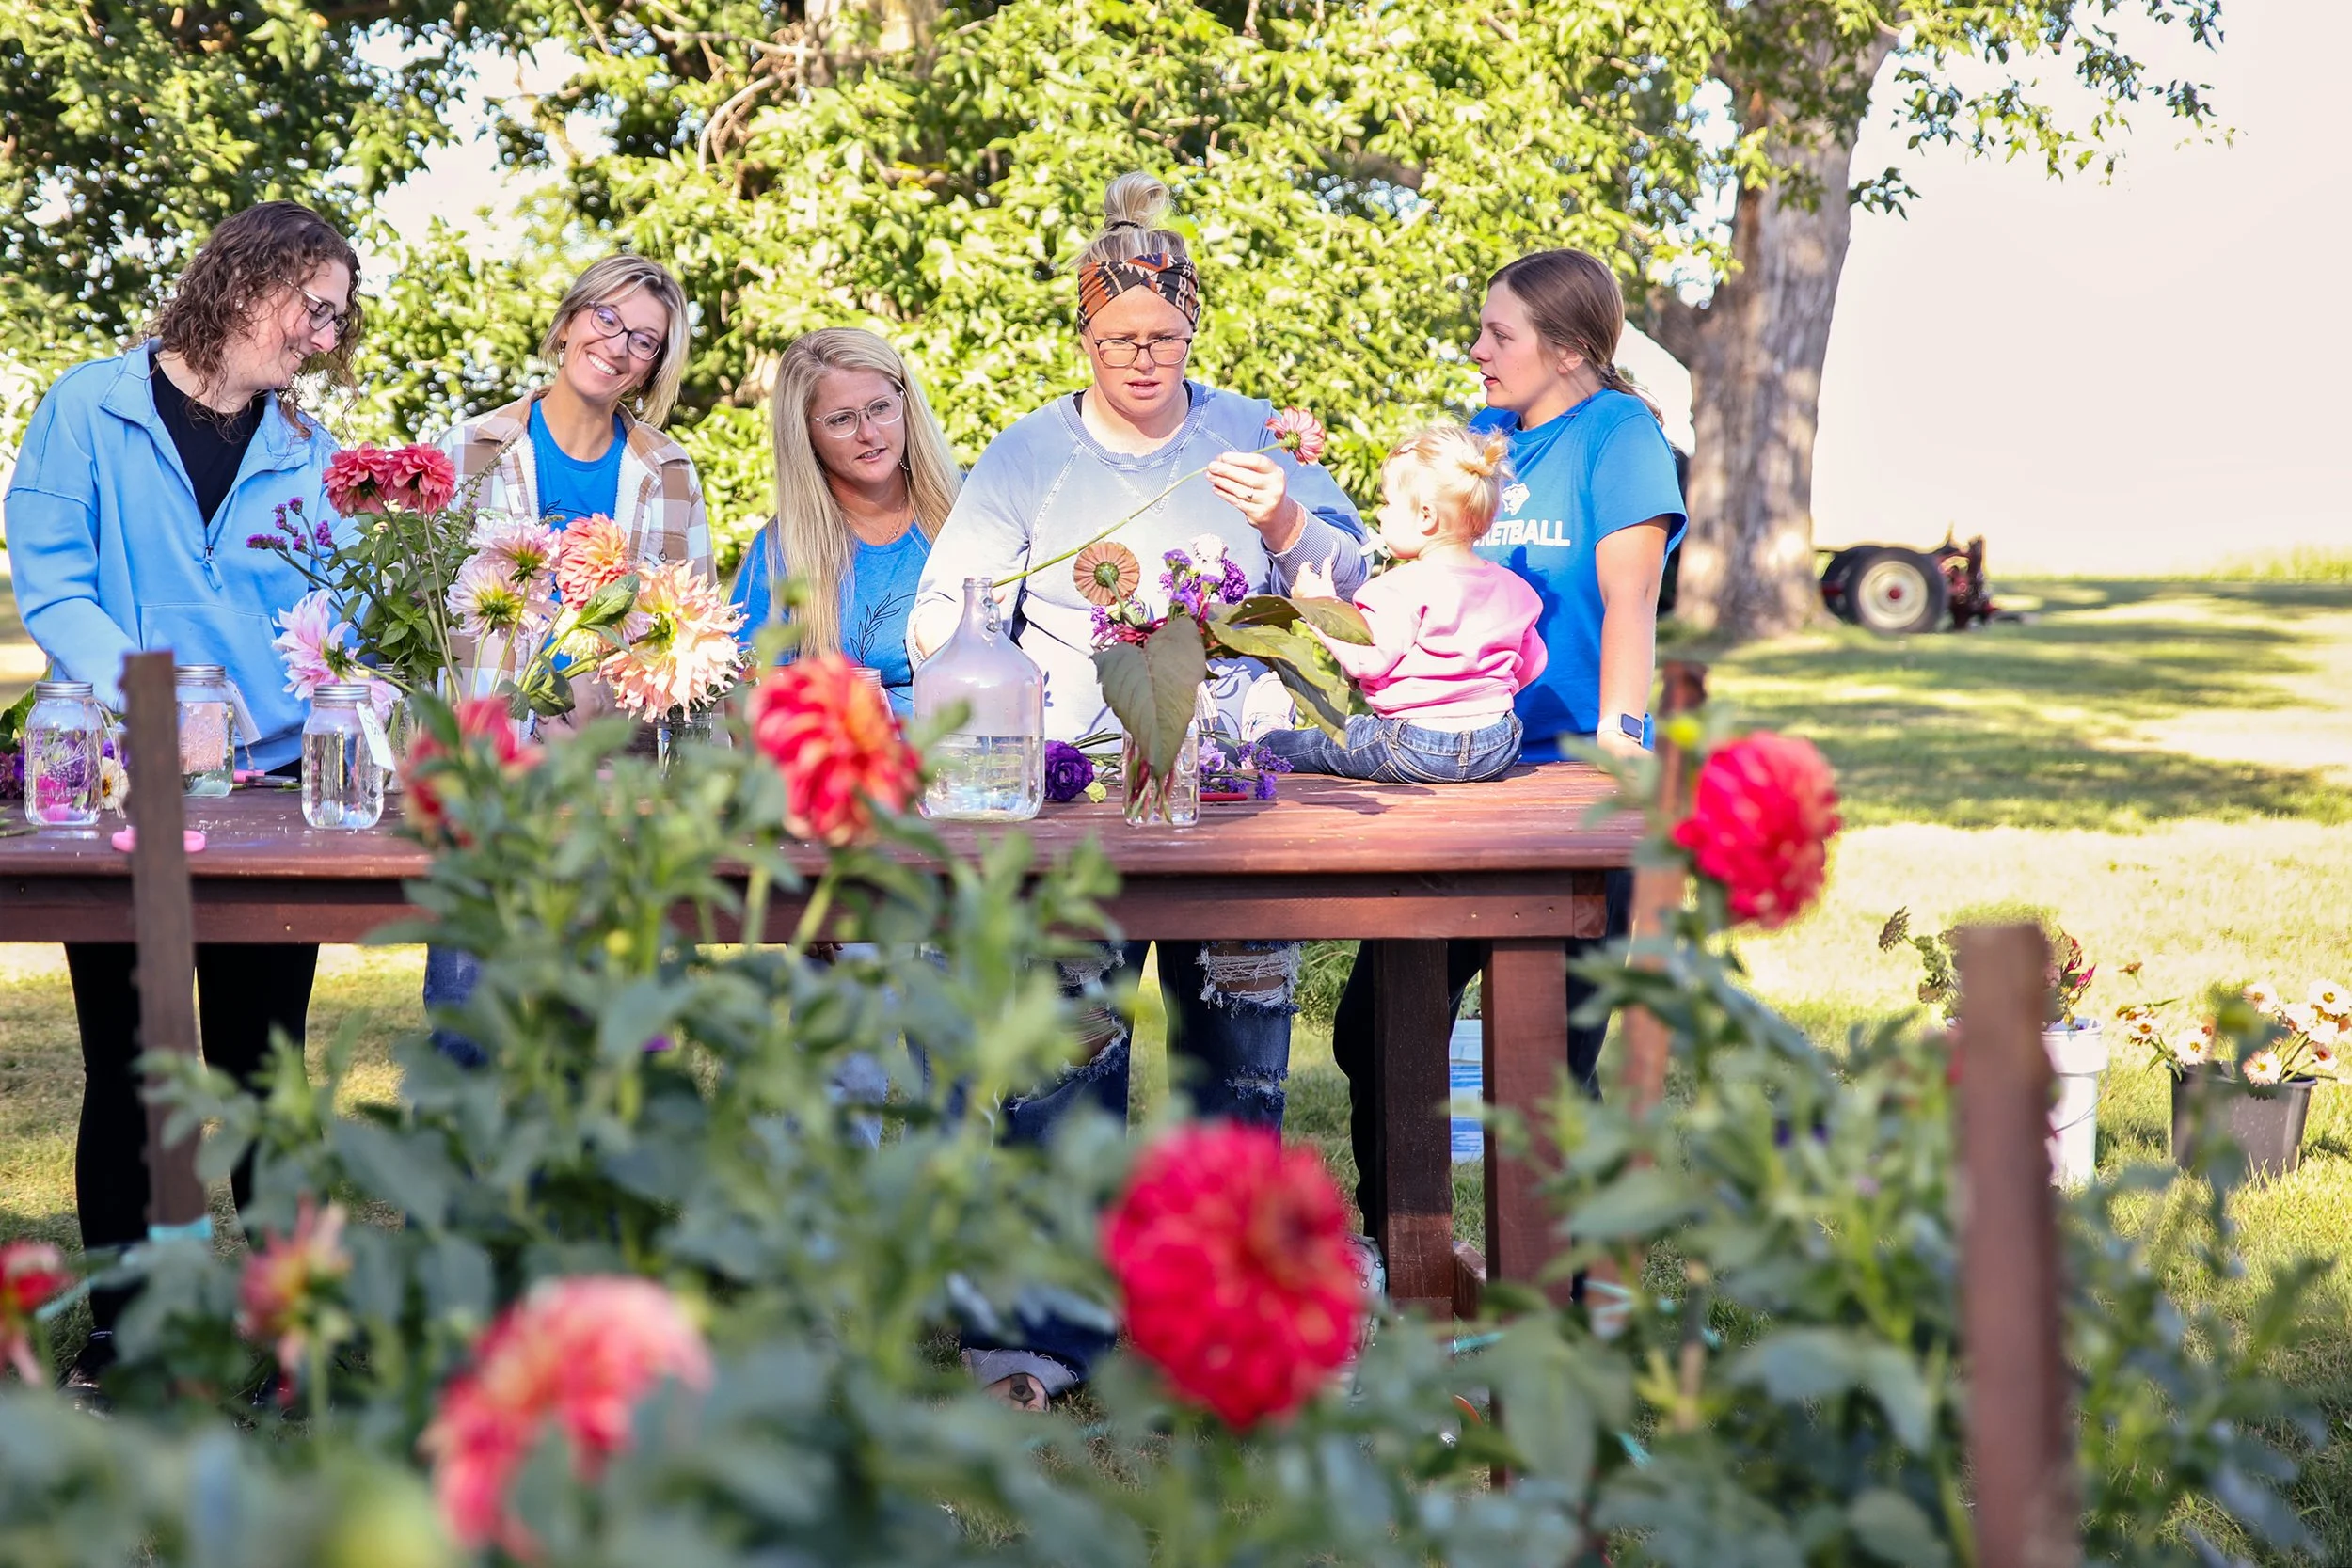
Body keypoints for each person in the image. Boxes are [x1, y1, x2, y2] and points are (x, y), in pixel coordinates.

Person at [910, 170, 1368, 1407]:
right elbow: (936, 616)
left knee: (1242, 1071)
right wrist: (991, 672)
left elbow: (1348, 581)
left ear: (1193, 329)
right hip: (1077, 807)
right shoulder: (1026, 453)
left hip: (1231, 797)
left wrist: (1284, 520)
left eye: (1164, 335)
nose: (1143, 358)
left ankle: (1236, 1338)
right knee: (1068, 1067)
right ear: (1085, 334)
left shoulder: (1251, 435)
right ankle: (1051, 1339)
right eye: (1119, 338)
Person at [4, 199, 362, 1388]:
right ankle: (128, 1327)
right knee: (133, 1063)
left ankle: (292, 1325)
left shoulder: (308, 455)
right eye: (313, 307)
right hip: (118, 781)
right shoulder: (84, 409)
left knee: (270, 1066)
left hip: (263, 787)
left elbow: (328, 614)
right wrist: (154, 695)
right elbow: (52, 585)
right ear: (245, 278)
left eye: (336, 321)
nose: (322, 336)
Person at [1327, 246, 1687, 1252]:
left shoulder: (1619, 436)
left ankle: (1553, 1290)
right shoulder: (1483, 437)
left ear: (1569, 349)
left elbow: (1630, 604)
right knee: (1375, 1031)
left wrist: (1617, 749)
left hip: (1571, 782)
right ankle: (1410, 1261)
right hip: (1455, 775)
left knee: (1547, 1065)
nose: (1476, 349)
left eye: (1500, 333)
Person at [423, 253, 710, 1064]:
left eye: (645, 341)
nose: (618, 345)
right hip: (493, 778)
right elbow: (427, 613)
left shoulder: (669, 470)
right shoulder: (475, 447)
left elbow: (691, 633)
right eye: (606, 319)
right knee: (472, 1014)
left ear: (655, 367)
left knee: (610, 1032)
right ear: (568, 323)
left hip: (618, 783)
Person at [1261, 423, 1545, 784]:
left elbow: (1368, 660)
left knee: (1328, 743)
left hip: (1416, 747)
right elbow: (1532, 665)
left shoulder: (1397, 588)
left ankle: (1264, 741)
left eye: (1387, 503)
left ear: (1426, 516)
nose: (1380, 515)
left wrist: (1319, 604)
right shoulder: (1514, 589)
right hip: (1498, 745)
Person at [729, 327, 961, 712]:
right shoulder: (781, 552)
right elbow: (751, 714)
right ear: (805, 434)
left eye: (881, 408)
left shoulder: (971, 509)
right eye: (840, 420)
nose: (869, 434)